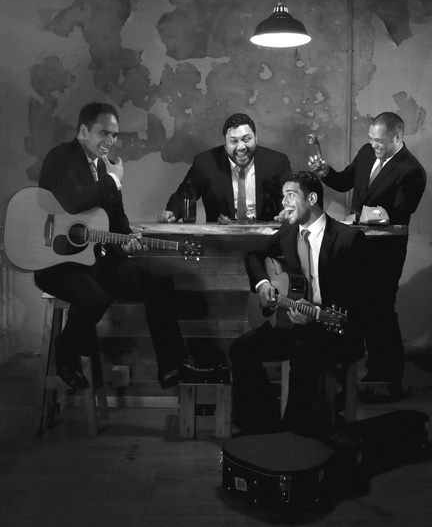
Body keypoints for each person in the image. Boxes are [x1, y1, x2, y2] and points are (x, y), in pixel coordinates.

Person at [34, 102, 218, 391]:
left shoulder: (104, 167)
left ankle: (171, 365)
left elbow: (117, 223)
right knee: (95, 299)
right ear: (83, 131)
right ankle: (66, 352)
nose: (110, 141)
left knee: (159, 280)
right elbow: (74, 201)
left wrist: (126, 243)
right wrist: (113, 180)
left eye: (114, 135)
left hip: (94, 262)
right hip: (57, 263)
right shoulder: (61, 158)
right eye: (103, 133)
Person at [230, 171, 367, 446]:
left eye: (291, 195)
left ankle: (293, 432)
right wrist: (263, 284)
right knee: (241, 348)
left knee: (304, 349)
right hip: (293, 322)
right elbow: (253, 253)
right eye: (284, 196)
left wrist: (318, 312)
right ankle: (264, 423)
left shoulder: (348, 238)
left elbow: (360, 294)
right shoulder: (288, 232)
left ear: (312, 198)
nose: (284, 202)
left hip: (333, 327)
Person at [308, 112, 427, 399]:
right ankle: (358, 377)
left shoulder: (412, 170)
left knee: (380, 312)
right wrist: (326, 172)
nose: (373, 145)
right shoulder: (365, 152)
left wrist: (358, 217)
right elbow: (344, 182)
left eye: (379, 141)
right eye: (371, 139)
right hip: (356, 248)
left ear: (397, 137)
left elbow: (399, 215)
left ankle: (388, 378)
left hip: (385, 254)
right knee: (356, 309)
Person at [158, 113, 291, 223]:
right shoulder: (205, 163)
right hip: (220, 240)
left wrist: (287, 211)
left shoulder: (276, 162)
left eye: (246, 139)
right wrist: (173, 212)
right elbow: (185, 194)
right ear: (225, 144)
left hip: (267, 239)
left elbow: (289, 197)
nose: (241, 147)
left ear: (256, 139)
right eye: (234, 141)